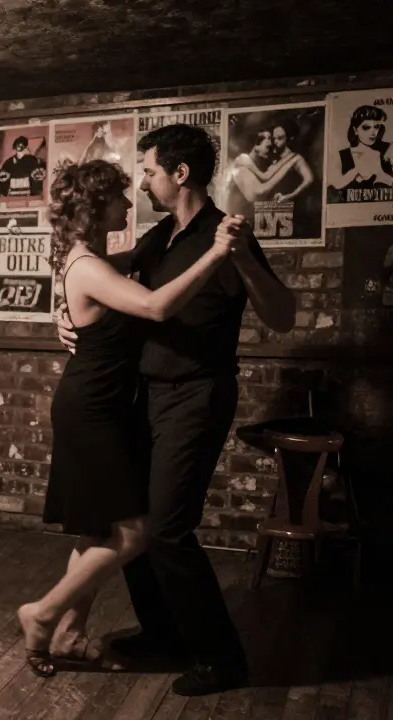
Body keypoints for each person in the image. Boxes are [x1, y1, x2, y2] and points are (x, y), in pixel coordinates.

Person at [56, 124, 295, 696]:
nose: (142, 181)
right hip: (146, 396)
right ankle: (164, 633)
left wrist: (242, 260)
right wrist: (64, 316)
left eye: (149, 170)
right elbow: (96, 278)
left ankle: (222, 659)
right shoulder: (161, 236)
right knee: (134, 519)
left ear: (179, 174)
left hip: (196, 394)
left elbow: (282, 314)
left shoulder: (224, 234)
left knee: (166, 529)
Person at [17, 159, 233, 678]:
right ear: (96, 207)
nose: (129, 203)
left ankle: (68, 635)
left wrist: (61, 315)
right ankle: (42, 615)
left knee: (98, 531)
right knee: (134, 534)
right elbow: (157, 307)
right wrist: (217, 251)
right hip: (91, 410)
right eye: (119, 196)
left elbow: (118, 271)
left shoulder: (91, 259)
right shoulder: (88, 265)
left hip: (105, 407)